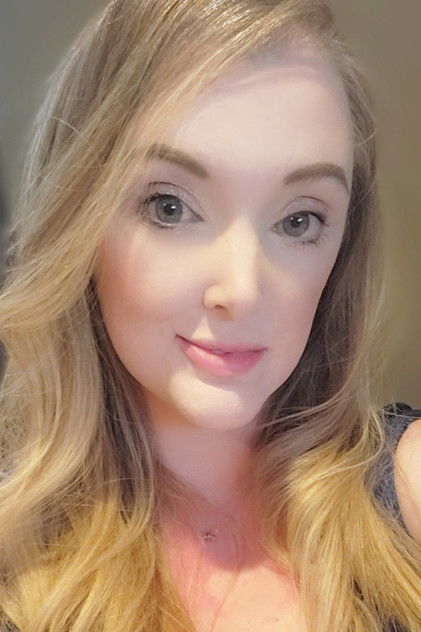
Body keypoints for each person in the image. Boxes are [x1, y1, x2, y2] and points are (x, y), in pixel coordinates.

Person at [0, 1, 420, 631]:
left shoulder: (407, 485)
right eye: (169, 207)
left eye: (299, 220)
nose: (242, 290)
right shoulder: (14, 551)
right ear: (79, 221)